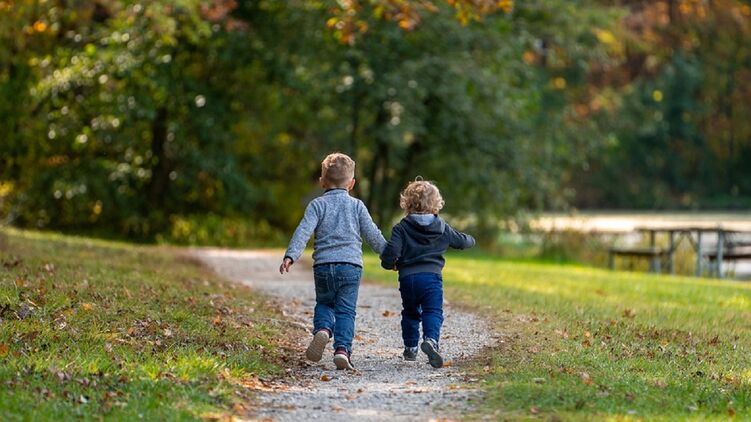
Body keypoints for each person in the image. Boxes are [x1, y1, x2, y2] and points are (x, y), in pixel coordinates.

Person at [280, 152, 386, 370]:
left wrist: (291, 255)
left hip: (323, 266)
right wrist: (389, 256)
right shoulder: (357, 206)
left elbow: (303, 231)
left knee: (325, 303)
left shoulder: (317, 205)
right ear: (352, 184)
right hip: (351, 266)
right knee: (346, 310)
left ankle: (323, 329)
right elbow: (372, 234)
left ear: (322, 182)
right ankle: (342, 350)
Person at [380, 179, 475, 368]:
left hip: (408, 279)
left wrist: (389, 264)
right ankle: (431, 340)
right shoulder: (442, 227)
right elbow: (462, 242)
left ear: (407, 203)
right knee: (432, 311)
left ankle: (410, 348)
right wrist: (471, 240)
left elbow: (391, 252)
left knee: (410, 312)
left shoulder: (401, 228)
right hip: (432, 279)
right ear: (436, 204)